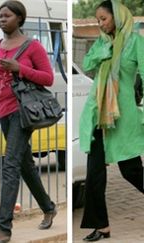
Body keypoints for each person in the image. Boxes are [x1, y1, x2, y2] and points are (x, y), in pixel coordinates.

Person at [0, 1, 57, 242]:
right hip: (3, 111)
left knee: (10, 164)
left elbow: (48, 78)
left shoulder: (32, 46)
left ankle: (3, 228)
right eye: (0, 16)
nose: (2, 19)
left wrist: (19, 68)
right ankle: (48, 206)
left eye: (7, 15)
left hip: (24, 112)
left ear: (19, 19)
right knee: (24, 164)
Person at [79, 0, 144, 241]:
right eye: (97, 20)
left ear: (117, 16)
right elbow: (87, 64)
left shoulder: (136, 42)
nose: (100, 24)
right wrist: (104, 51)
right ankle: (101, 226)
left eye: (103, 19)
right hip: (97, 114)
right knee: (94, 174)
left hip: (122, 116)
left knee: (131, 171)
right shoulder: (101, 43)